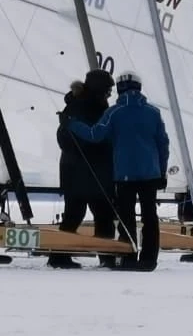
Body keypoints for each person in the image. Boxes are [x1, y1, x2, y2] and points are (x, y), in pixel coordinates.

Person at [66, 71, 169, 271]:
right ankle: (149, 259)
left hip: (124, 174)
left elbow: (95, 134)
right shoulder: (153, 112)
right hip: (150, 173)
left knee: (126, 217)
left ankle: (128, 256)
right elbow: (163, 144)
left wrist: (72, 124)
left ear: (120, 89)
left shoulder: (114, 112)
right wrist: (162, 172)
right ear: (139, 88)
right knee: (150, 216)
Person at [51, 70, 117, 269]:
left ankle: (59, 256)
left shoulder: (80, 105)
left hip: (78, 171)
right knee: (101, 215)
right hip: (87, 171)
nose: (109, 94)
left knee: (77, 214)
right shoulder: (86, 107)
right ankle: (105, 257)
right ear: (98, 89)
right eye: (107, 90)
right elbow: (66, 137)